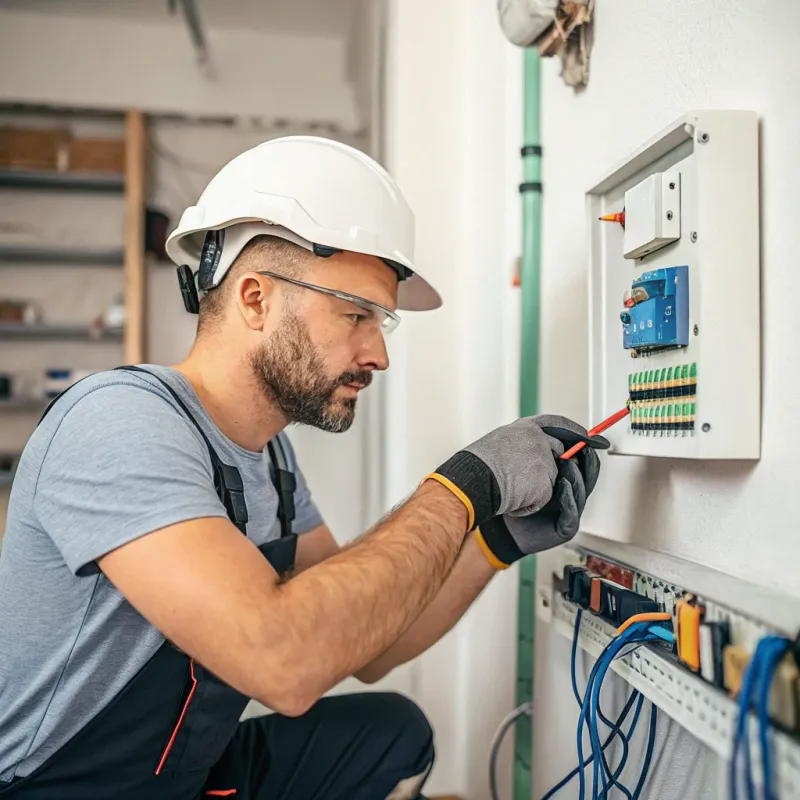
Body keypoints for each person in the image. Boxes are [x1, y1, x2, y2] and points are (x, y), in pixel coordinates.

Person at [0, 136, 607, 800]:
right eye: (356, 315)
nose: (377, 354)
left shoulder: (272, 457)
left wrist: (493, 539)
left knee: (393, 733)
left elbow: (365, 643)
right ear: (255, 299)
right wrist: (466, 486)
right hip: (58, 787)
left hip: (183, 777)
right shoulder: (119, 422)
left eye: (382, 323)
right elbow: (283, 663)